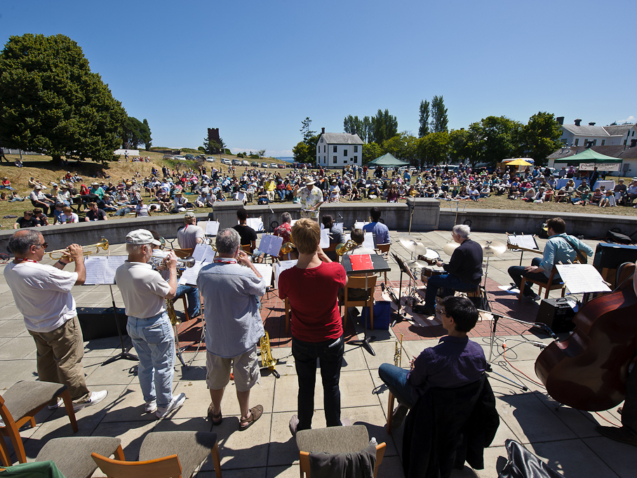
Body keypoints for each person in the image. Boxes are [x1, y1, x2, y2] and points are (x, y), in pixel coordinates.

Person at [5, 230, 108, 410]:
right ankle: (81, 398)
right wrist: (79, 258)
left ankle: (51, 399)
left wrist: (62, 262)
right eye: (43, 245)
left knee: (46, 363)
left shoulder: (11, 267)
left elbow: (46, 278)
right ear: (32, 248)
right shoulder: (37, 270)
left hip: (36, 324)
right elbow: (80, 278)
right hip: (59, 323)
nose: (45, 249)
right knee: (69, 362)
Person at [278, 219, 348, 436]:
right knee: (331, 384)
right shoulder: (334, 270)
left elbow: (283, 295)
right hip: (331, 337)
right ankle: (334, 427)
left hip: (303, 339)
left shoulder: (286, 276)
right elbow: (343, 280)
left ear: (294, 243)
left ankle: (304, 428)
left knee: (305, 386)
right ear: (319, 241)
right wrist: (323, 255)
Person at [379, 296, 486, 429]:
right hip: (462, 405)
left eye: (442, 313)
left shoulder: (431, 355)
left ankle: (404, 404)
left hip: (431, 404)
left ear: (451, 320)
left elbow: (414, 381)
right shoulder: (478, 352)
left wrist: (416, 367)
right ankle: (403, 405)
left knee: (384, 369)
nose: (440, 315)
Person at [197, 228, 265, 431]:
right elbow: (261, 287)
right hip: (242, 337)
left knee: (216, 377)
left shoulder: (203, 272)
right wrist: (249, 264)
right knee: (244, 376)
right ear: (237, 250)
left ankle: (216, 411)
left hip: (216, 336)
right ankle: (244, 416)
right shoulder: (243, 273)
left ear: (217, 249)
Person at [115, 230, 186, 418]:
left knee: (145, 365)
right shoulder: (147, 274)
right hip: (154, 323)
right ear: (144, 248)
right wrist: (172, 269)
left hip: (133, 322)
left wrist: (159, 270)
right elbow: (171, 293)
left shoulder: (120, 270)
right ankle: (164, 404)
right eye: (152, 249)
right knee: (163, 365)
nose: (154, 252)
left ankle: (150, 401)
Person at [508, 218, 594, 300]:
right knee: (535, 260)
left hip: (551, 276)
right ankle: (526, 286)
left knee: (512, 269)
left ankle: (529, 293)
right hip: (563, 276)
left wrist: (537, 269)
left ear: (551, 229)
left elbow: (548, 265)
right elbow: (590, 251)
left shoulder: (552, 242)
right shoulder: (572, 239)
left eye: (547, 228)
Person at [421, 225, 483, 315]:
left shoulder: (460, 250)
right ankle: (448, 307)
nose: (452, 236)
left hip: (465, 282)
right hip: (475, 280)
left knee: (432, 281)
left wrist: (441, 264)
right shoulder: (477, 245)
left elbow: (451, 269)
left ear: (458, 236)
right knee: (447, 280)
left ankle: (429, 308)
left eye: (453, 234)